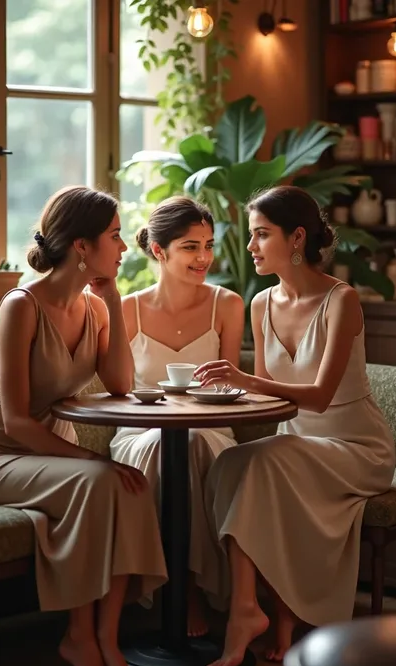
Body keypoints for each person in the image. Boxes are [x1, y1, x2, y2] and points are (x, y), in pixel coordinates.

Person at [0, 186, 167, 666]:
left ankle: (108, 640)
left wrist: (113, 300)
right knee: (104, 477)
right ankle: (78, 635)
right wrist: (92, 458)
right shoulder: (20, 306)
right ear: (81, 247)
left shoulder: (93, 308)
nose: (122, 247)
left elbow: (119, 384)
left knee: (129, 483)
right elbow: (16, 422)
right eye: (114, 236)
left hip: (51, 455)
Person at [195, 185, 395, 666]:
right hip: (298, 443)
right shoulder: (261, 303)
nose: (250, 247)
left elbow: (322, 394)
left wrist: (243, 378)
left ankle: (259, 615)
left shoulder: (341, 300)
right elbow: (270, 395)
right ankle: (259, 609)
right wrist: (222, 395)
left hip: (355, 447)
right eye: (251, 236)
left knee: (266, 462)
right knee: (230, 463)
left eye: (262, 235)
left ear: (297, 237)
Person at [110, 196, 245, 637]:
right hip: (140, 432)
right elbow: (119, 391)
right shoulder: (127, 309)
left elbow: (231, 388)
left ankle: (181, 589)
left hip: (210, 432)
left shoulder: (226, 305)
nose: (204, 257)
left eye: (208, 244)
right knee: (161, 447)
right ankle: (167, 588)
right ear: (159, 250)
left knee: (191, 445)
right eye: (190, 247)